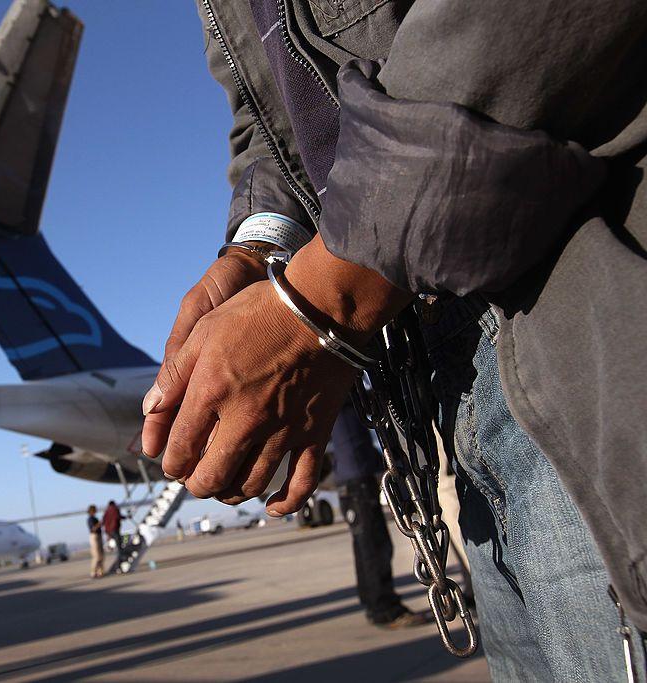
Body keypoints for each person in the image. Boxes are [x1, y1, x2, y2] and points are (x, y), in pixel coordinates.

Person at [141, 2, 647, 679]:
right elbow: (272, 122)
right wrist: (264, 242)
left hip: (575, 304)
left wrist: (326, 295)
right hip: (443, 369)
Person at [329, 404, 427, 629]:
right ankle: (383, 609)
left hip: (355, 478)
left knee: (368, 544)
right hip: (356, 482)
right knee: (373, 545)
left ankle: (376, 605)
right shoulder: (339, 393)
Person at [101, 501, 125, 568]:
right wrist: (125, 517)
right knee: (120, 548)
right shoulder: (115, 509)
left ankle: (119, 562)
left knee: (118, 546)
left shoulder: (106, 511)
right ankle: (119, 564)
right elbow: (117, 517)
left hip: (109, 531)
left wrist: (107, 533)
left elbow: (103, 521)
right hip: (114, 530)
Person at [86, 505, 104, 578]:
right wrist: (99, 524)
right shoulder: (90, 519)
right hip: (94, 537)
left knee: (101, 555)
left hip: (98, 536)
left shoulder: (94, 518)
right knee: (96, 556)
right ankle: (93, 572)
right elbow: (93, 529)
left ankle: (100, 572)